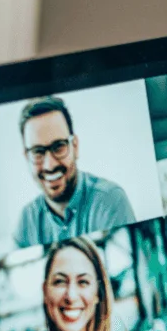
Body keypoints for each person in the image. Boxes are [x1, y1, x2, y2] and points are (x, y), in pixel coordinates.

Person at [14, 97, 136, 248]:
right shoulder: (26, 221)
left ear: (75, 147)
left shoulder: (109, 201)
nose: (49, 165)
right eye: (37, 152)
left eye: (58, 146)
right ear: (27, 157)